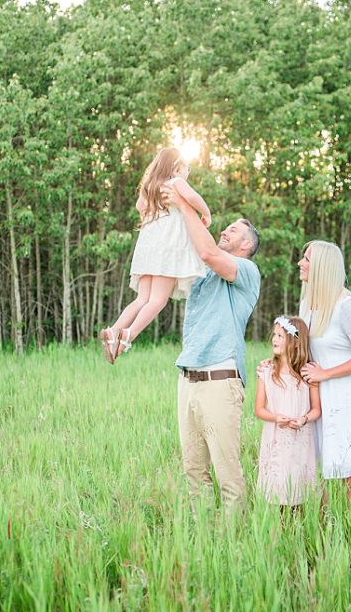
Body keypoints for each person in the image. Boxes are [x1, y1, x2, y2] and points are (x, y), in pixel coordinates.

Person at [161, 181, 261, 515]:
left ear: (245, 245)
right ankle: (203, 547)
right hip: (187, 381)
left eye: (233, 230)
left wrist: (186, 203)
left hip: (220, 380)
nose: (225, 231)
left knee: (227, 475)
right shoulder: (203, 272)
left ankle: (235, 551)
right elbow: (187, 252)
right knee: (194, 474)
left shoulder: (246, 271)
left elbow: (208, 251)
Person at [99, 147, 210, 363]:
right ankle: (128, 335)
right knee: (157, 301)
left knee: (142, 299)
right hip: (167, 249)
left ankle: (114, 330)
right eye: (187, 168)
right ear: (177, 168)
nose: (187, 172)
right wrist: (206, 213)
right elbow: (193, 197)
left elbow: (140, 206)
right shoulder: (175, 182)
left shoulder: (150, 187)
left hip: (148, 247)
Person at [296, 240, 351, 502]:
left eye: (307, 259)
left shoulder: (345, 305)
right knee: (317, 464)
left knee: (346, 470)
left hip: (343, 395)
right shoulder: (309, 304)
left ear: (322, 267)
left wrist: (326, 374)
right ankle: (323, 526)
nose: (300, 263)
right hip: (316, 396)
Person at [255, 315, 321, 513]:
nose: (274, 339)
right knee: (278, 487)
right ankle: (280, 531)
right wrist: (275, 418)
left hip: (300, 439)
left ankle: (300, 529)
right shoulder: (266, 372)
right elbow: (259, 409)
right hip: (276, 438)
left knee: (298, 488)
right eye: (274, 335)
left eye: (280, 336)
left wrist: (304, 419)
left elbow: (316, 409)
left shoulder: (307, 373)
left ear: (294, 342)